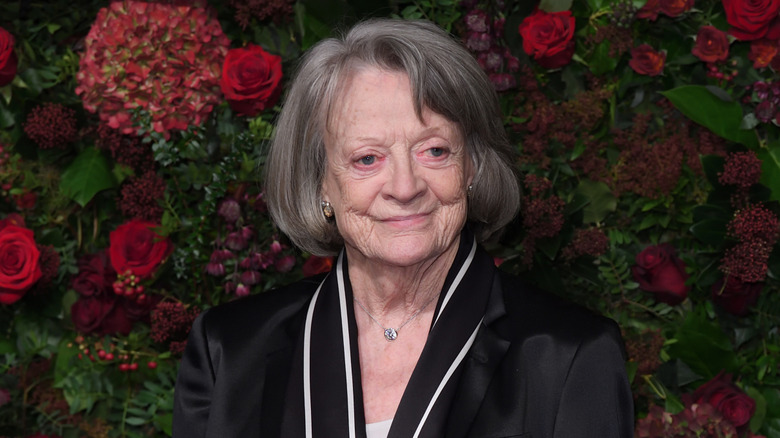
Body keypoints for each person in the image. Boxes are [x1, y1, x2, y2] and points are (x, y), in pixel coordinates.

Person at [173, 18, 634, 438]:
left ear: (471, 165)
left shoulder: (571, 355)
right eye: (367, 159)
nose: (404, 186)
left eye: (433, 151)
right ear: (320, 185)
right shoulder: (229, 351)